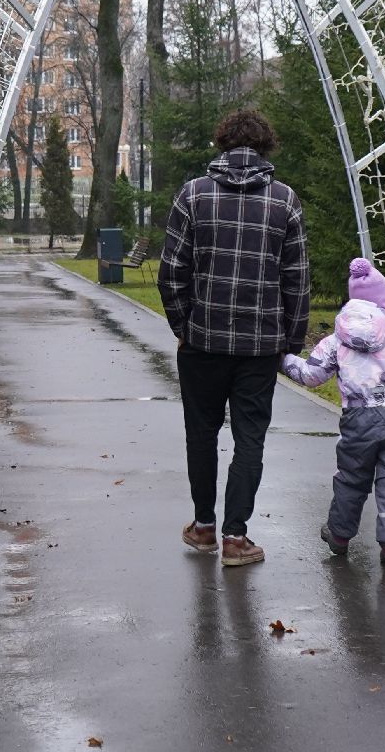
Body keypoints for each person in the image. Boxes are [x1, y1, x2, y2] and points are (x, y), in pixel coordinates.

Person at [160, 109, 309, 568]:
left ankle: (203, 525)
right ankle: (236, 537)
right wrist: (292, 341)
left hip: (202, 343)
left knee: (200, 435)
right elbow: (296, 281)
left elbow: (172, 273)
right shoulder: (285, 201)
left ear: (222, 143)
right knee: (250, 439)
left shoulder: (194, 195)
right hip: (259, 347)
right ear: (266, 146)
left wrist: (184, 327)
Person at [282, 258, 385, 567]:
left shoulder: (337, 341)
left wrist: (285, 361)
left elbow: (311, 375)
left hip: (359, 420)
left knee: (352, 478)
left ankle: (338, 535)